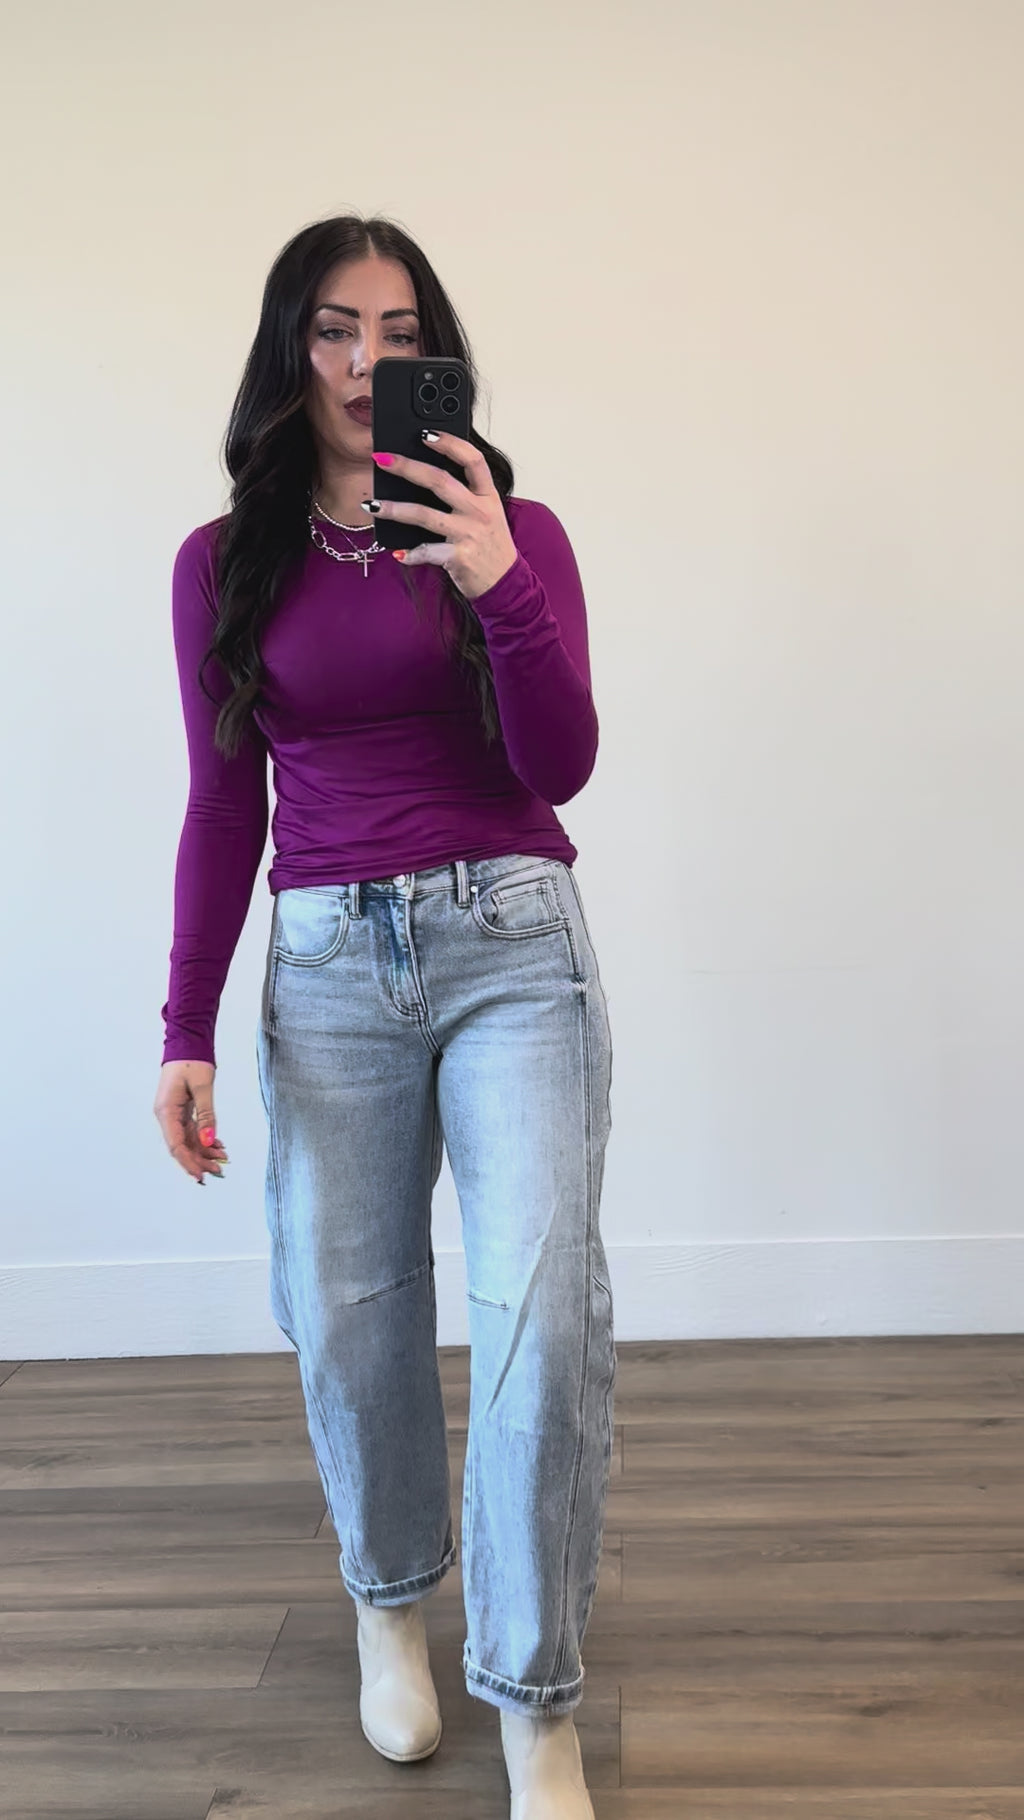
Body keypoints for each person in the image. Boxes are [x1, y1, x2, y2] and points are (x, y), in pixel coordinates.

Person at [153, 214, 616, 1820]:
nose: (366, 362)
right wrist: (184, 1026)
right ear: (292, 350)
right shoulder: (223, 562)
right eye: (336, 329)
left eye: (399, 332)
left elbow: (562, 763)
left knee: (540, 1313)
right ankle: (389, 1601)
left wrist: (496, 581)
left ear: (438, 356)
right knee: (351, 1317)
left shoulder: (513, 527)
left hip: (511, 946)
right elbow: (225, 804)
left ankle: (536, 1700)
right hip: (330, 968)